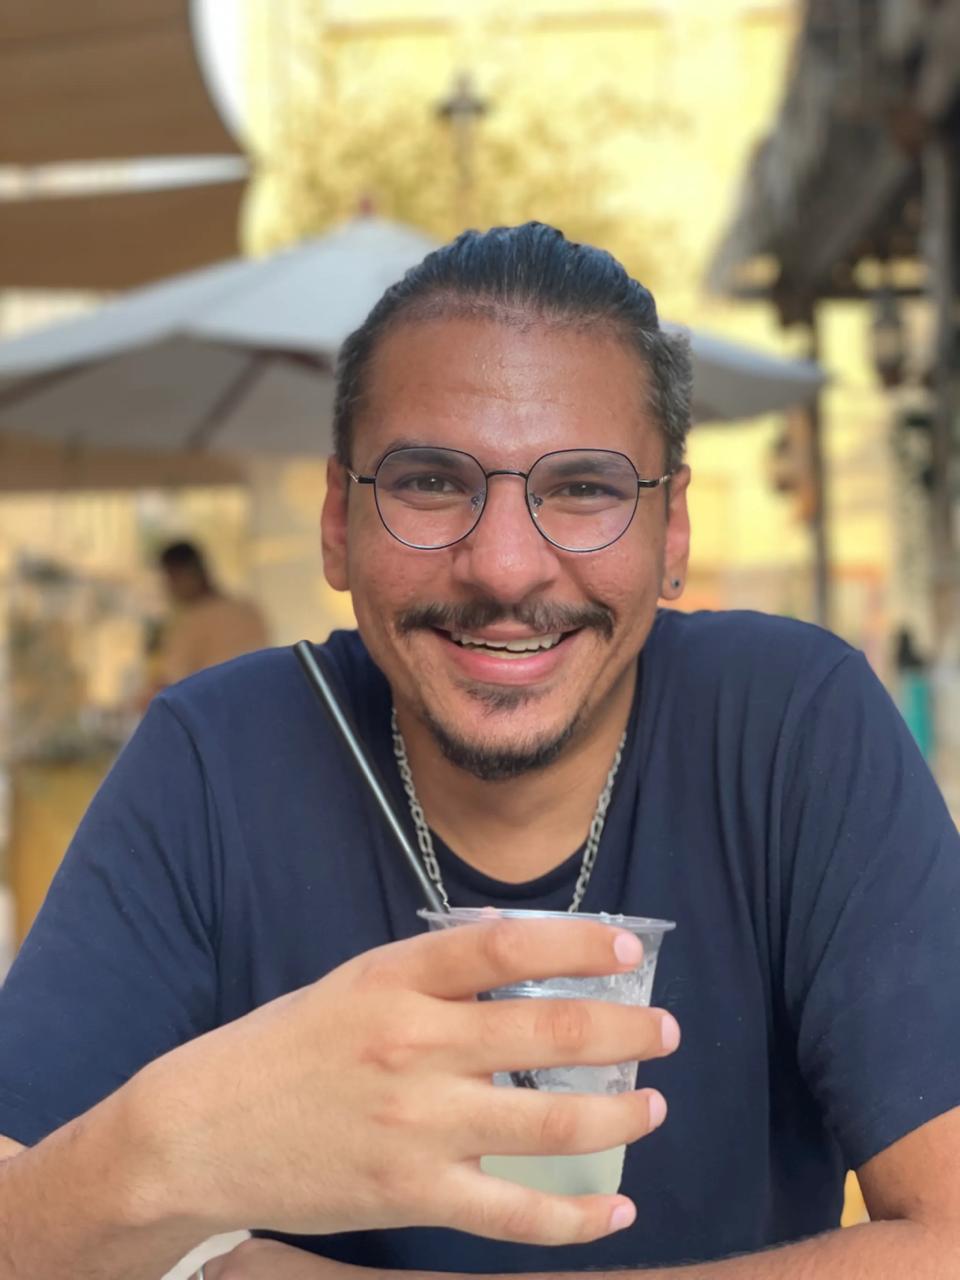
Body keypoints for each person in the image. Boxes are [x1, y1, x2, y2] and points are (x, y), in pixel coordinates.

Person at [0, 223, 957, 1280]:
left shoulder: (793, 727)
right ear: (339, 521)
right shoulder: (215, 760)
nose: (504, 567)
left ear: (673, 531)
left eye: (584, 488)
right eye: (430, 482)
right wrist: (186, 1140)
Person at [149, 539, 270, 690]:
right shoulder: (248, 610)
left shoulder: (192, 622)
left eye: (170, 579)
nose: (168, 589)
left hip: (212, 700)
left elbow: (171, 681)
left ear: (186, 575)